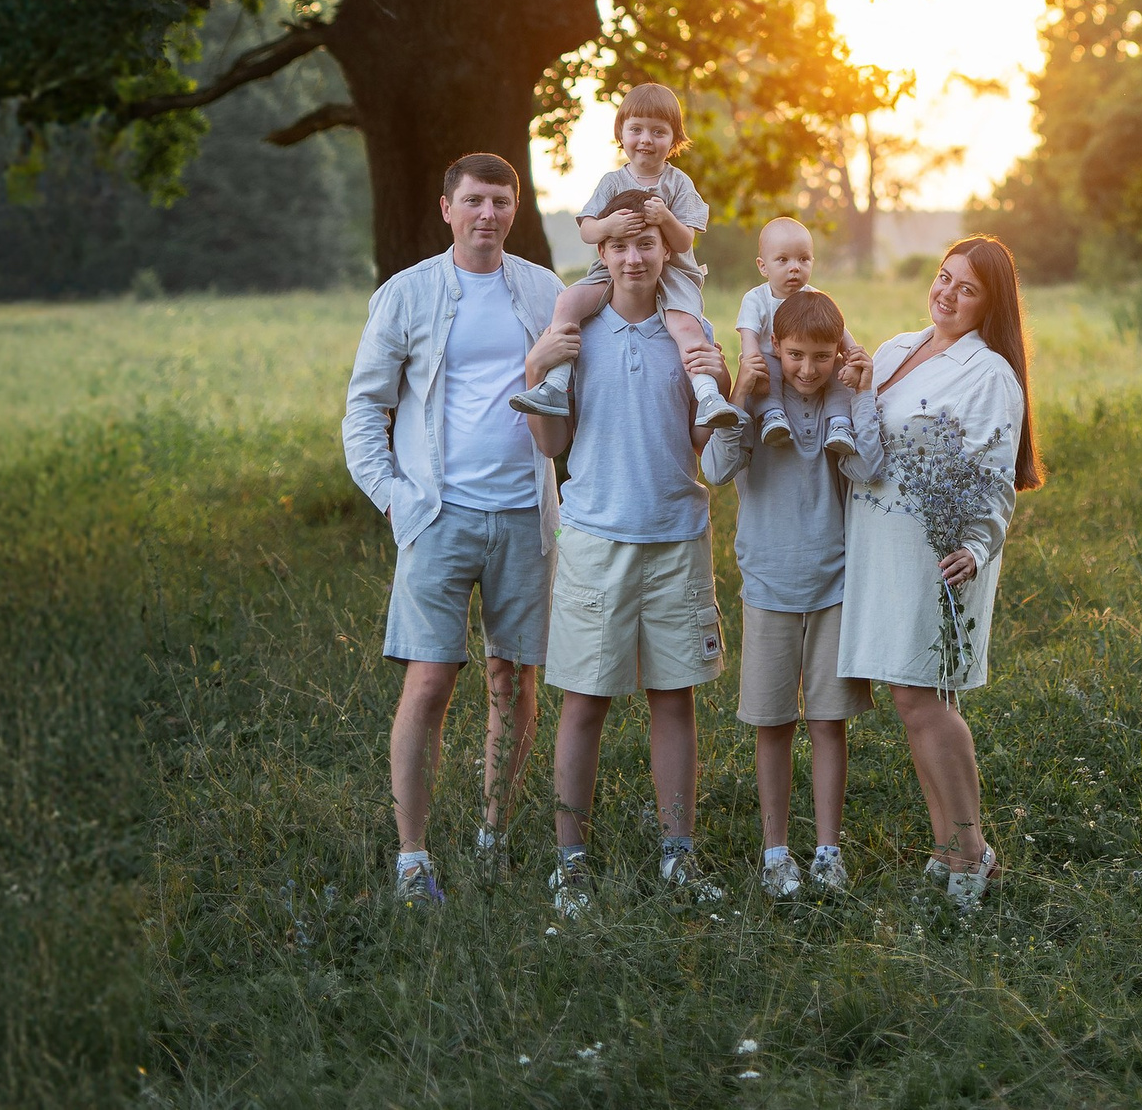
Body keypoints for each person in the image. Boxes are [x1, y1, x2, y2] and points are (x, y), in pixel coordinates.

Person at [341, 151, 563, 906]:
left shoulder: (544, 290)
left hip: (524, 514)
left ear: (515, 206)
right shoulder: (407, 294)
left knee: (514, 677)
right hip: (437, 514)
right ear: (447, 208)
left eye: (500, 201)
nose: (487, 214)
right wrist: (395, 498)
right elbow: (365, 407)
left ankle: (493, 837)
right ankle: (412, 857)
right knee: (431, 678)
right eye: (473, 201)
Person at [519, 195, 730, 913]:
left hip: (675, 535)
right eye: (621, 246)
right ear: (602, 254)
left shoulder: (688, 329)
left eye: (647, 244)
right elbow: (552, 447)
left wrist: (725, 382)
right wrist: (535, 371)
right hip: (595, 538)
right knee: (585, 703)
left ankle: (679, 854)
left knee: (675, 700)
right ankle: (570, 862)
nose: (635, 256)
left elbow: (703, 442)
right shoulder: (576, 330)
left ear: (665, 252)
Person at [837, 235, 1043, 914]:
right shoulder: (897, 347)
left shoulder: (988, 374)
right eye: (944, 277)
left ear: (991, 304)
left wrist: (979, 547)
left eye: (967, 288)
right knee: (911, 698)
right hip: (882, 545)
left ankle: (973, 850)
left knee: (926, 700)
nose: (948, 293)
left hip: (939, 551)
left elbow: (993, 475)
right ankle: (948, 847)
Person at [703, 285, 873, 895]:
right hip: (769, 583)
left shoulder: (840, 401)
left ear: (836, 352)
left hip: (835, 583)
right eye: (795, 355)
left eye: (820, 358)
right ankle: (776, 851)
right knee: (772, 724)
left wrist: (861, 391)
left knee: (830, 724)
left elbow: (867, 468)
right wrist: (739, 395)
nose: (807, 369)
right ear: (775, 348)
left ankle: (827, 850)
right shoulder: (755, 399)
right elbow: (717, 471)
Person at [514, 81, 736, 437]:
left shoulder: (678, 184)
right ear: (621, 133)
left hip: (674, 273)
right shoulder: (612, 181)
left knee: (686, 328)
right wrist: (607, 224)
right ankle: (556, 381)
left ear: (674, 139)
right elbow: (588, 231)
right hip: (608, 273)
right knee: (568, 302)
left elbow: (683, 242)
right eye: (636, 129)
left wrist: (666, 219)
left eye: (658, 131)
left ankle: (708, 395)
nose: (646, 139)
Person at [734, 214, 872, 444]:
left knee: (837, 370)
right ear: (763, 266)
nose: (795, 268)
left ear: (812, 262)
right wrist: (752, 363)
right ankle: (772, 416)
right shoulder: (756, 299)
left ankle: (840, 424)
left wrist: (852, 361)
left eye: (803, 259)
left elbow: (840, 333)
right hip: (770, 360)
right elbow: (748, 337)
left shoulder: (815, 297)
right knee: (767, 366)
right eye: (783, 260)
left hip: (805, 359)